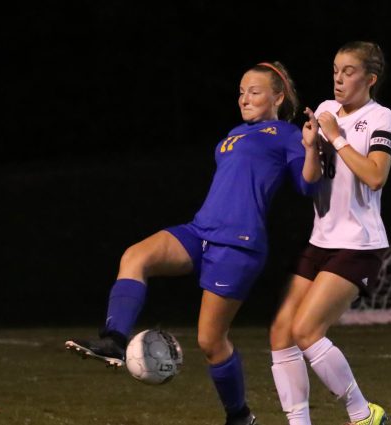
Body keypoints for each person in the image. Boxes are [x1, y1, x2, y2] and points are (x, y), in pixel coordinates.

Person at [66, 61, 321, 425]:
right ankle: (114, 340)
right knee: (136, 256)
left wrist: (311, 148)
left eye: (255, 91)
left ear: (278, 96)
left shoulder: (286, 134)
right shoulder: (232, 135)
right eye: (241, 91)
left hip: (238, 244)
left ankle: (240, 416)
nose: (244, 98)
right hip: (200, 231)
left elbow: (307, 184)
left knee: (211, 342)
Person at [269, 41, 391, 425]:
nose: (339, 78)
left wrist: (336, 137)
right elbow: (311, 179)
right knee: (280, 333)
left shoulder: (380, 117)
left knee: (307, 330)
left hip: (358, 244)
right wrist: (311, 146)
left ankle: (362, 413)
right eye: (336, 70)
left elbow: (375, 176)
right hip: (319, 239)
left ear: (370, 78)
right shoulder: (325, 110)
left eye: (349, 71)